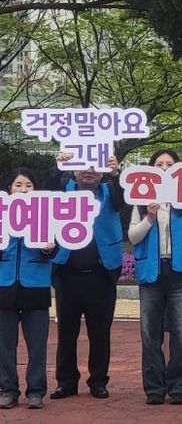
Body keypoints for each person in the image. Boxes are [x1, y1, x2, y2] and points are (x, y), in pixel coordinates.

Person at [128, 149, 182, 405]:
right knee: (150, 332)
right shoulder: (140, 198)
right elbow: (133, 236)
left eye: (170, 164)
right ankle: (154, 388)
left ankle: (179, 387)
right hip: (150, 272)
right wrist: (149, 217)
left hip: (179, 271)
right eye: (160, 164)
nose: (165, 168)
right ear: (152, 169)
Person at [47, 153, 124, 400]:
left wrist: (116, 173)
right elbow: (46, 191)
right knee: (66, 332)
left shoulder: (110, 192)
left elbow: (124, 199)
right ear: (73, 169)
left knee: (100, 332)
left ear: (102, 171)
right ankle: (66, 382)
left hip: (101, 274)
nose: (89, 171)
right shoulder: (63, 189)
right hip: (67, 274)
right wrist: (59, 164)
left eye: (94, 166)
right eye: (82, 166)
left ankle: (98, 381)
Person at [0, 169, 58, 410]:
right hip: (4, 286)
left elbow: (55, 250)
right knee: (4, 345)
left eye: (28, 185)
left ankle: (36, 391)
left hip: (36, 285)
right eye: (18, 185)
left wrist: (49, 248)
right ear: (9, 188)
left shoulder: (46, 214)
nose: (23, 190)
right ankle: (8, 390)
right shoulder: (1, 215)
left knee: (37, 345)